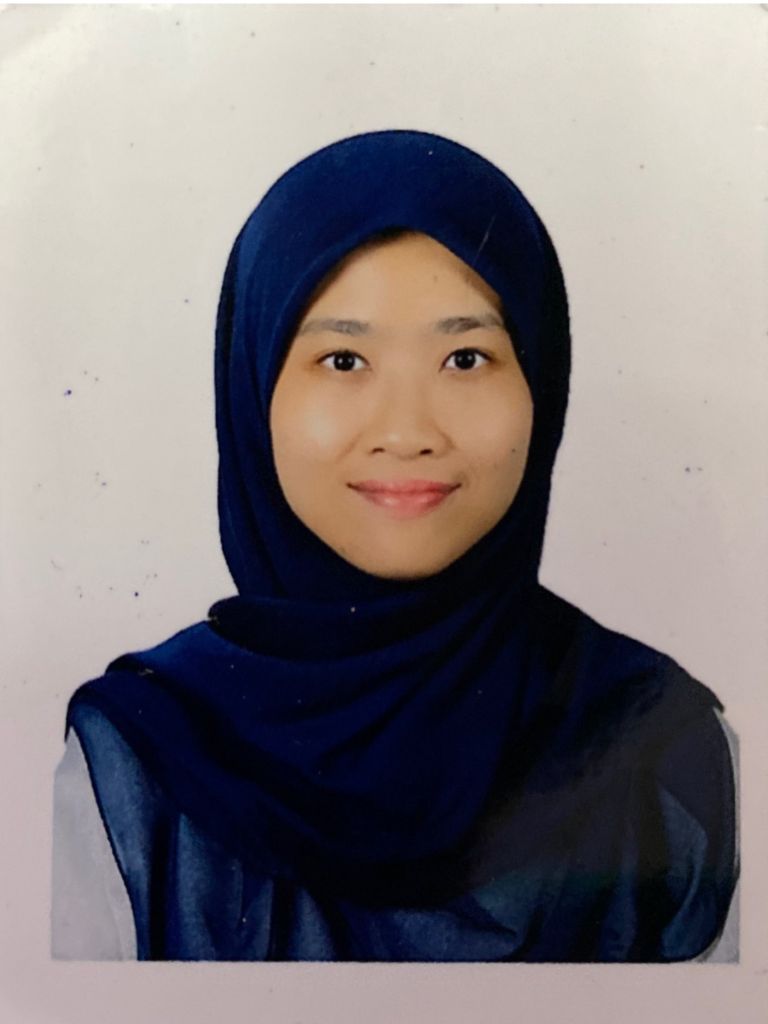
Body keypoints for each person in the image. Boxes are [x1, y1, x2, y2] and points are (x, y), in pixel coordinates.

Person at [51, 130, 737, 962]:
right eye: (344, 360)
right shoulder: (136, 761)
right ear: (253, 385)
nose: (408, 431)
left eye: (466, 358)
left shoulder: (660, 751)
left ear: (542, 381)